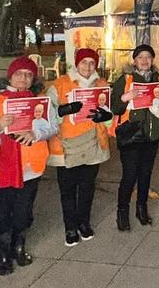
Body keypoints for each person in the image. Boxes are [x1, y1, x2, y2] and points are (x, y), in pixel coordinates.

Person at [0, 56, 59, 275]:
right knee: (0, 213)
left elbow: (53, 127)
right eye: (18, 73)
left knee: (23, 211)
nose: (23, 78)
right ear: (10, 75)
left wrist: (36, 132)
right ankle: (2, 251)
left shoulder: (41, 101)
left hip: (29, 168)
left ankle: (18, 244)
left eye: (28, 74)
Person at [46, 48, 113, 246]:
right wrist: (62, 111)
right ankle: (70, 226)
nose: (87, 66)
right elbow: (46, 115)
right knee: (67, 189)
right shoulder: (60, 85)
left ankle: (83, 222)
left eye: (92, 63)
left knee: (87, 187)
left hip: (93, 142)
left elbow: (110, 119)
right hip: (66, 146)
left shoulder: (102, 85)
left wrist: (106, 117)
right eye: (83, 62)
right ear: (76, 64)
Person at [110, 44, 159, 231]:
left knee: (145, 174)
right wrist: (125, 98)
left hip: (151, 135)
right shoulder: (126, 79)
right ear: (134, 60)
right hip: (131, 135)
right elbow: (115, 108)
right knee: (129, 175)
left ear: (152, 60)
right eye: (140, 57)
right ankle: (122, 212)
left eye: (148, 57)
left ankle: (141, 209)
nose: (144, 61)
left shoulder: (158, 79)